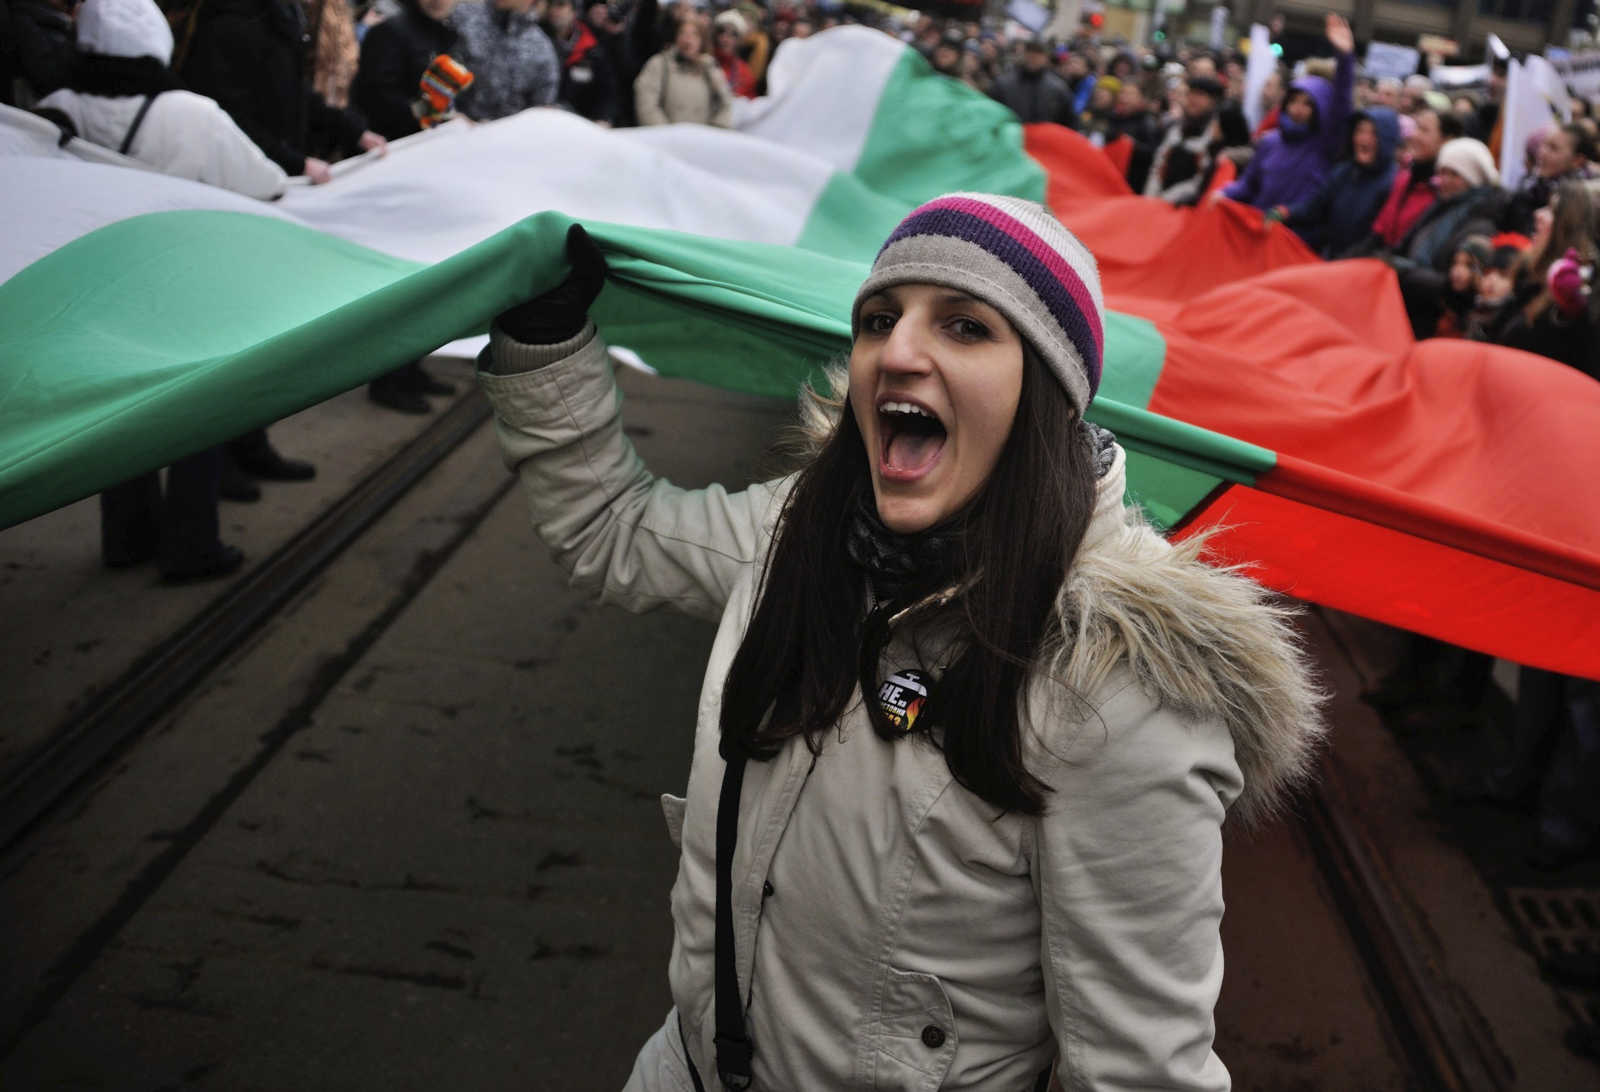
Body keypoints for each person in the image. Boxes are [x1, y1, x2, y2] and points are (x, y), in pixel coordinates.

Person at [474, 195, 1324, 1090]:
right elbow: (615, 528)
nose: (898, 353)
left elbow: (1139, 1075)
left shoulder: (1119, 686)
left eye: (964, 326)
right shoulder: (797, 533)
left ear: (1045, 388)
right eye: (879, 320)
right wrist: (549, 342)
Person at [39, 0, 290, 581]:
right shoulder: (193, 115)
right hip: (182, 291)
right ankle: (191, 544)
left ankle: (127, 537)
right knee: (196, 411)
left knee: (121, 410)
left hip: (97, 293)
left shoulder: (55, 110)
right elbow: (267, 185)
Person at [351, 0, 466, 413]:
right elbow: (376, 99)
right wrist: (433, 119)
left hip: (433, 171)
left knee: (428, 273)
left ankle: (412, 362)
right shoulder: (392, 33)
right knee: (398, 277)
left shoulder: (447, 35)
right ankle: (388, 375)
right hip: (398, 171)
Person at [1220, 13, 1354, 229]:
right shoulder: (1270, 142)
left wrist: (1345, 58)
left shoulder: (1325, 145)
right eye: (1293, 101)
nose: (1298, 109)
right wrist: (1223, 194)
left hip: (1295, 240)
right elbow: (1248, 185)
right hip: (1257, 233)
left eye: (1308, 104)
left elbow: (1341, 104)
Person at [1476, 181, 1599, 378]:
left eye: (1552, 210)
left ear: (1571, 227)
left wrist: (1575, 315)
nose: (1538, 214)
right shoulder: (1530, 277)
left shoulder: (1577, 300)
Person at [1388, 137, 1505, 339]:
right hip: (1408, 308)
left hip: (1434, 321)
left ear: (1473, 177)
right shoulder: (1439, 207)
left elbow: (1457, 285)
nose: (1446, 180)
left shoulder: (1481, 223)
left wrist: (1404, 272)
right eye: (1442, 172)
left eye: (1455, 174)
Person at [1273, 107, 1399, 258]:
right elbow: (1314, 208)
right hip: (1331, 259)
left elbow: (1377, 239)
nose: (1364, 139)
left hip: (1360, 268)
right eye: (1360, 131)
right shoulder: (1344, 172)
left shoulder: (1394, 183)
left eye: (1374, 133)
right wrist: (1285, 212)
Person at [450, 0, 561, 122]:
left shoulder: (541, 48)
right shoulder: (462, 18)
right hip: (453, 130)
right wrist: (452, 116)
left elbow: (541, 111)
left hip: (508, 136)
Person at [633, 16, 731, 128]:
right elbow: (647, 105)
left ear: (702, 40)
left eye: (694, 34)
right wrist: (667, 134)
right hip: (665, 140)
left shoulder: (710, 68)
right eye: (682, 33)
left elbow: (725, 104)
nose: (687, 39)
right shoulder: (659, 64)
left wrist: (714, 134)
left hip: (701, 141)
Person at [1503, 123, 1592, 236]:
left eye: (1553, 148)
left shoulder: (1583, 202)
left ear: (1577, 160)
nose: (1542, 153)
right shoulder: (1528, 187)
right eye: (1543, 145)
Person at [1144, 74, 1223, 200]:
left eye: (1200, 95)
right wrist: (1151, 197)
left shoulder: (1215, 134)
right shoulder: (1175, 128)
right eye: (1191, 94)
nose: (1193, 100)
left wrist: (1168, 199)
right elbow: (1159, 165)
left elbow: (1202, 178)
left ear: (1213, 102)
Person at [543, 0, 617, 124]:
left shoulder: (593, 47)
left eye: (561, 5)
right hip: (545, 121)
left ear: (574, 11)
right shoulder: (537, 42)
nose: (554, 11)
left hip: (584, 124)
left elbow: (607, 92)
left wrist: (603, 118)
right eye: (550, 5)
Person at [988, 37, 1073, 126]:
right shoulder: (1003, 84)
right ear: (1024, 53)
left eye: (1038, 53)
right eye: (1030, 51)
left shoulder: (1058, 89)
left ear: (1046, 57)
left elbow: (1068, 123)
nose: (1033, 56)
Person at [708, 8, 753, 98]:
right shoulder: (704, 63)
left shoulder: (745, 72)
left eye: (732, 34)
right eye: (721, 32)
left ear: (739, 40)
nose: (725, 39)